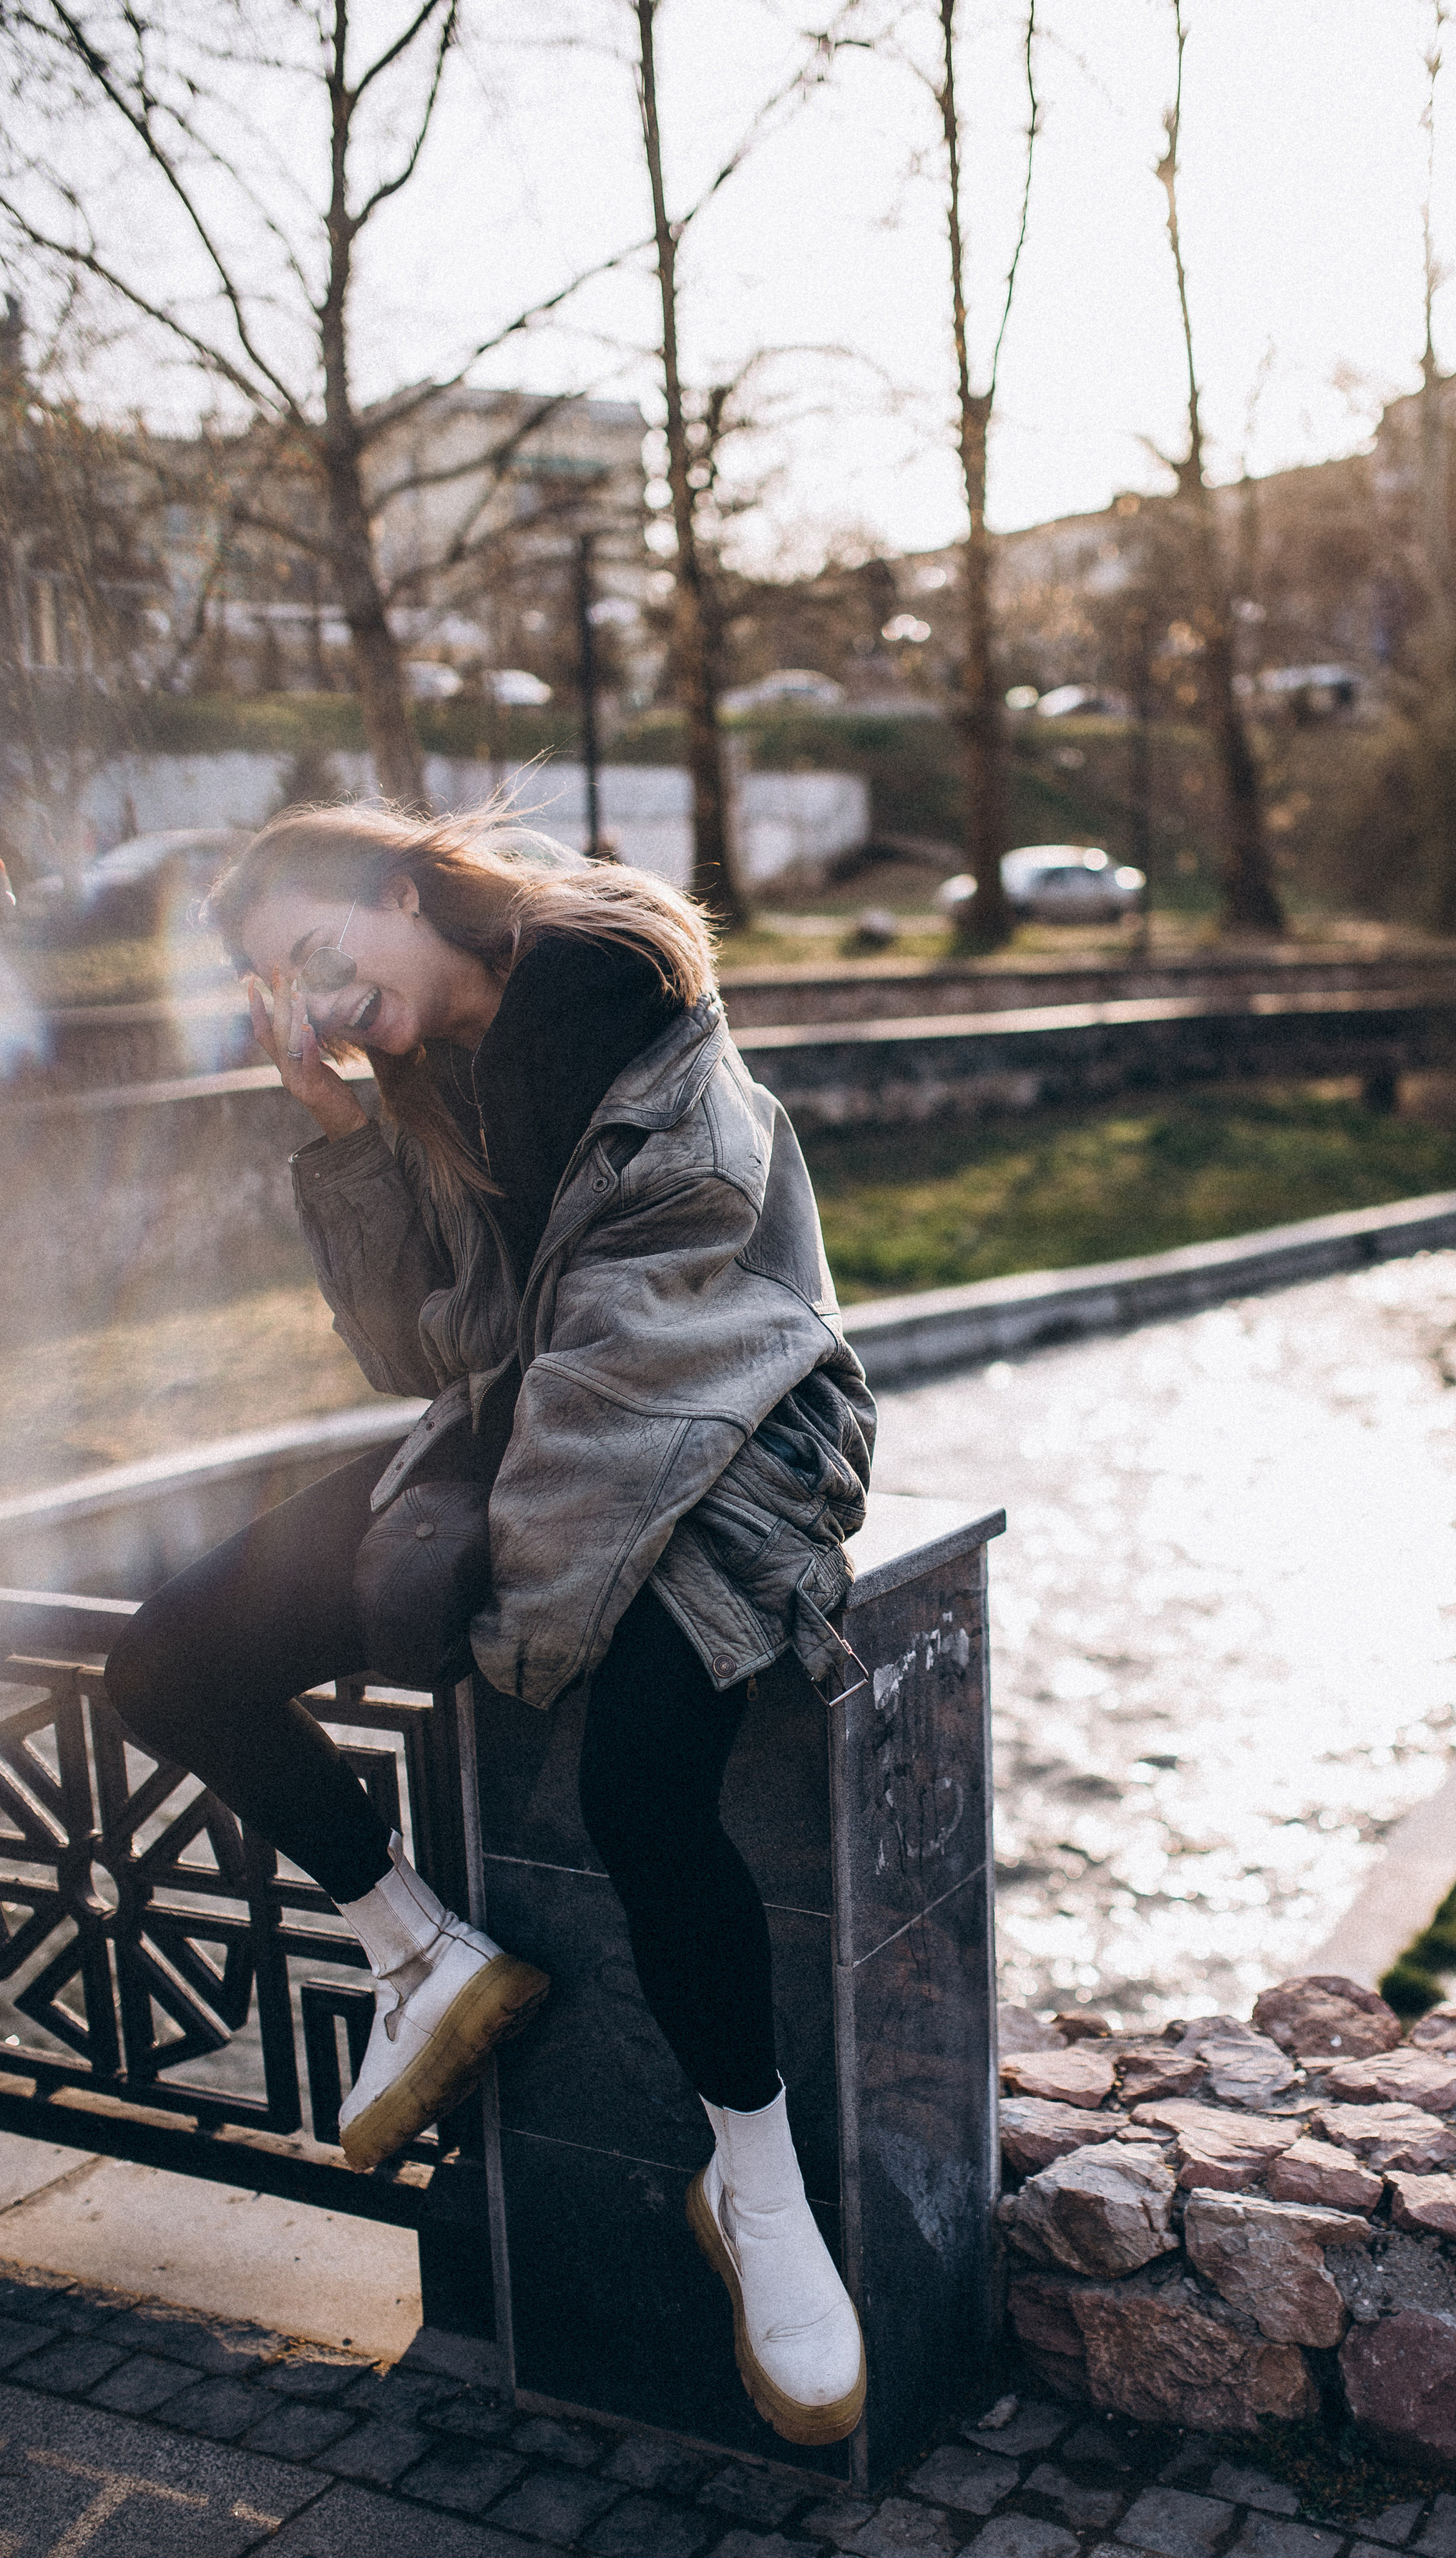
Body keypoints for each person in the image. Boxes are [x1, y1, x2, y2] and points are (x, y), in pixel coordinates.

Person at [103, 802, 875, 2449]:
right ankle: (419, 1950)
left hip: (734, 1428)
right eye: (275, 990)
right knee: (167, 1660)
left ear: (403, 888)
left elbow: (637, 1352)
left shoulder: (618, 1007)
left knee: (640, 1778)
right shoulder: (435, 1075)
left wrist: (504, 1606)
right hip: (536, 1433)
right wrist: (336, 1124)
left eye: (319, 956)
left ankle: (755, 2180)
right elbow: (418, 1350)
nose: (311, 1001)